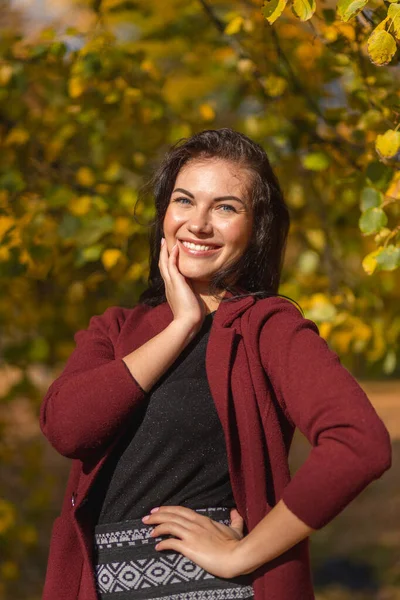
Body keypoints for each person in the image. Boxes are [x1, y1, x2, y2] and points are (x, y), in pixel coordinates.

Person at [40, 128, 392, 600]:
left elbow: (359, 444)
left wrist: (241, 555)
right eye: (184, 201)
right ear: (164, 213)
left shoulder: (267, 328)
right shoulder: (116, 330)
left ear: (257, 227)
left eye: (225, 207)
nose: (198, 224)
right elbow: (68, 428)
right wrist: (181, 325)